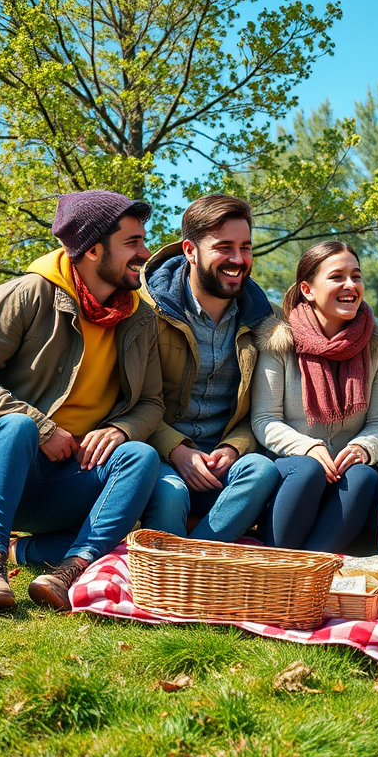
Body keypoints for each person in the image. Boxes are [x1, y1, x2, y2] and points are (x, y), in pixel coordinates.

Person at [0, 190, 164, 611]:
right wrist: (43, 428)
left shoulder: (140, 317)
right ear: (93, 249)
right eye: (132, 243)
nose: (145, 252)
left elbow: (150, 403)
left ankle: (67, 568)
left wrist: (120, 429)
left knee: (140, 455)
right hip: (0, 468)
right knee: (19, 425)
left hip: (69, 479)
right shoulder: (26, 294)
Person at [139, 194, 279, 540]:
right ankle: (179, 572)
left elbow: (263, 409)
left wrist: (234, 448)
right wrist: (178, 451)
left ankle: (195, 561)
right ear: (190, 250)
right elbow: (129, 400)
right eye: (224, 247)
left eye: (245, 247)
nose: (238, 259)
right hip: (161, 456)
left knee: (261, 470)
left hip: (225, 461)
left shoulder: (269, 321)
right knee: (171, 493)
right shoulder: (145, 311)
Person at [251, 241, 378, 552]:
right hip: (293, 472)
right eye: (337, 277)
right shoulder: (280, 342)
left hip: (346, 475)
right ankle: (278, 561)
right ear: (307, 289)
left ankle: (313, 569)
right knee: (307, 469)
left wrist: (362, 447)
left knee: (364, 476)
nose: (350, 285)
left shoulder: (377, 345)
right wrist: (308, 447)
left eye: (356, 276)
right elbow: (265, 420)